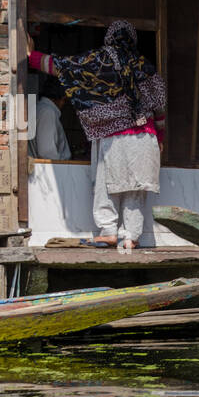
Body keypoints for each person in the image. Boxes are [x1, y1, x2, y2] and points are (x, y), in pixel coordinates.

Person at [27, 21, 166, 249]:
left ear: (109, 37)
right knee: (136, 189)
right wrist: (159, 139)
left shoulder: (99, 61)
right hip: (146, 138)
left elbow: (63, 67)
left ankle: (108, 231)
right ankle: (131, 237)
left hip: (114, 137)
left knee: (106, 185)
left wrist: (31, 56)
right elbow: (160, 109)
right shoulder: (145, 67)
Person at [29, 75, 73, 161]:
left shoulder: (41, 108)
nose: (63, 105)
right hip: (52, 170)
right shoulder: (47, 112)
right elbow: (47, 153)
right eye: (65, 100)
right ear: (61, 98)